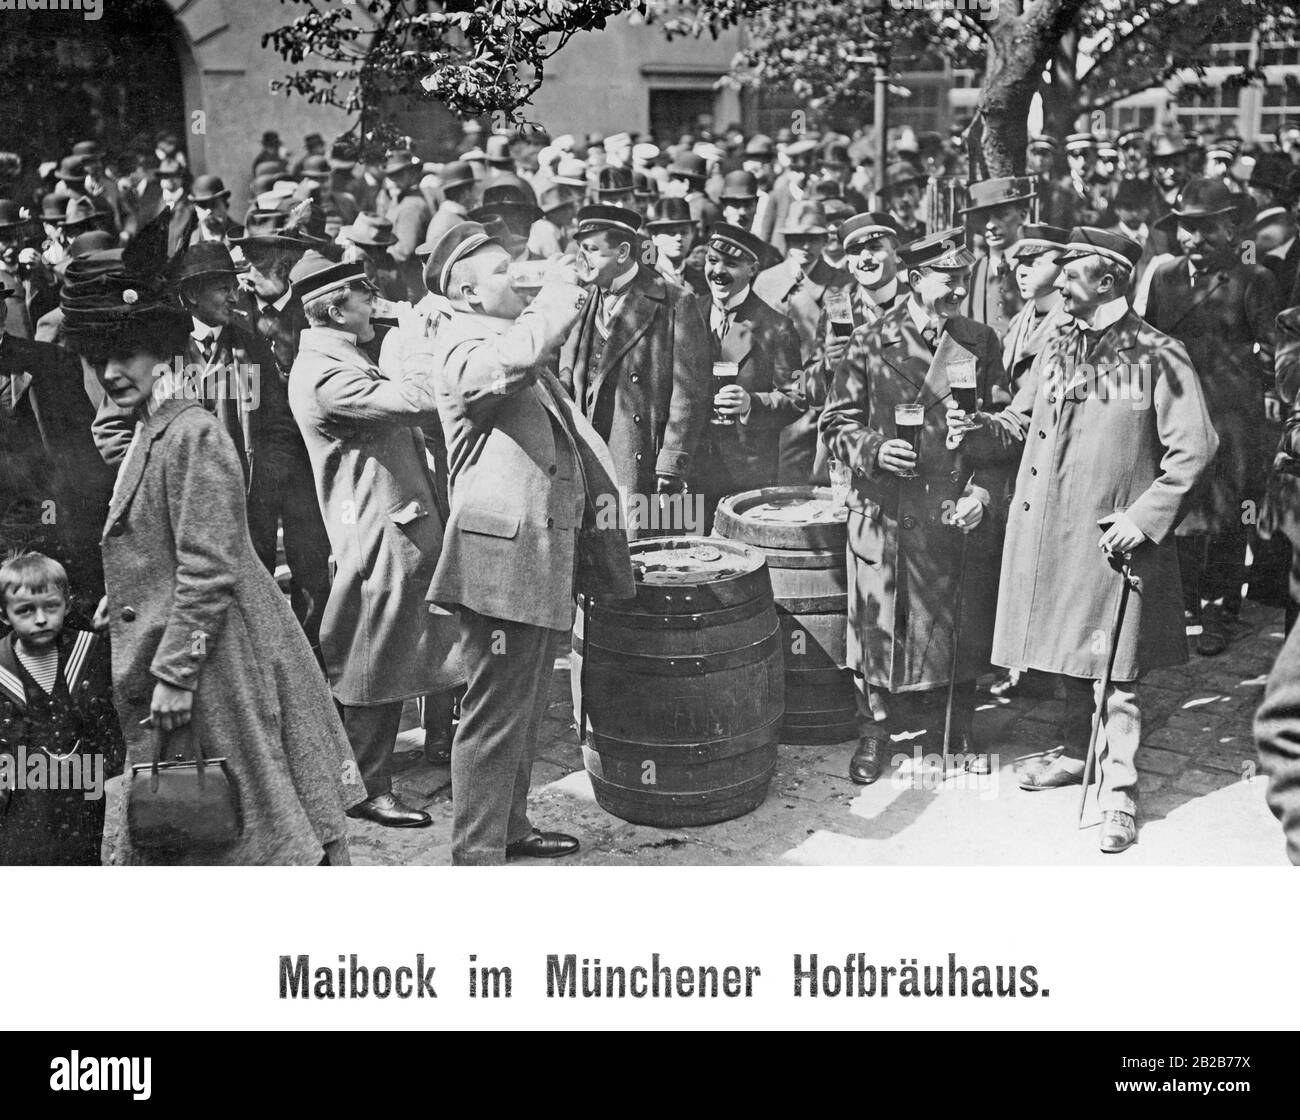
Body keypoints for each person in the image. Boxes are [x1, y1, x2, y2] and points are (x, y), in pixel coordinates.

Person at [59, 241, 366, 865]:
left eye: (127, 356)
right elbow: (163, 553)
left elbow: (208, 566)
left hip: (213, 662)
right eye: (100, 360)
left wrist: (174, 674)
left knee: (241, 818)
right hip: (197, 649)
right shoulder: (152, 428)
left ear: (165, 356)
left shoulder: (191, 433)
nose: (112, 371)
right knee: (226, 817)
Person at [954, 227, 1218, 853]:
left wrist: (1147, 515)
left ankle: (1120, 793)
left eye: (1070, 272)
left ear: (1106, 281)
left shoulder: (1160, 354)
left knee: (1114, 673)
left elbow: (1195, 446)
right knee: (1074, 656)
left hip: (1110, 536)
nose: (1057, 281)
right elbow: (1024, 419)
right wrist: (979, 426)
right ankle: (1079, 755)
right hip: (1050, 529)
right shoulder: (1057, 346)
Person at [424, 221, 635, 864]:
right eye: (499, 271)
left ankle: (509, 829)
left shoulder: (502, 339)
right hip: (499, 564)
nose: (517, 274)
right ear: (465, 292)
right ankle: (478, 854)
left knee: (520, 712)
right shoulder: (464, 346)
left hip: (535, 560)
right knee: (492, 717)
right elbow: (517, 358)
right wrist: (562, 285)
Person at [821, 228, 1004, 787]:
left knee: (956, 621)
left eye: (963, 282)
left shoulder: (979, 341)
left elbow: (1006, 431)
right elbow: (836, 423)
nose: (957, 293)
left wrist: (982, 492)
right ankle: (874, 730)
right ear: (916, 279)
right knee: (877, 621)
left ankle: (955, 728)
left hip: (949, 509)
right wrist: (875, 449)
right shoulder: (871, 339)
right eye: (948, 282)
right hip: (886, 507)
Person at [288, 255, 464, 828]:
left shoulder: (340, 354)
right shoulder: (325, 373)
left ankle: (393, 763)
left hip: (396, 522)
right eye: (365, 299)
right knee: (371, 654)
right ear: (337, 309)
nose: (375, 306)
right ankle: (365, 787)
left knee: (398, 645)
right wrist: (414, 334)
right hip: (374, 531)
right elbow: (419, 399)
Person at [1144, 178, 1280, 656]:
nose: (1193, 240)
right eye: (1185, 229)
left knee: (1227, 511)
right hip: (1177, 410)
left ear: (1229, 228)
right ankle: (1182, 605)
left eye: (1205, 230)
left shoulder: (1252, 279)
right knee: (1178, 504)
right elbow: (1147, 340)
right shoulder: (1163, 277)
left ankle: (1221, 610)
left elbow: (1273, 349)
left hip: (1231, 417)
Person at [558, 204, 710, 535]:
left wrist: (671, 462)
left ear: (624, 251)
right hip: (589, 454)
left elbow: (690, 392)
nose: (583, 260)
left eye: (593, 250)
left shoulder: (674, 302)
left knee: (636, 554)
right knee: (595, 553)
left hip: (638, 458)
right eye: (582, 250)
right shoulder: (581, 300)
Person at [0, 553, 124, 865]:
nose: (40, 618)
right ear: (5, 615)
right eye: (25, 610)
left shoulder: (90, 652)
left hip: (86, 794)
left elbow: (110, 726)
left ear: (67, 605)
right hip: (24, 799)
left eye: (50, 607)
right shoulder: (2, 666)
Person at [693, 223, 802, 528]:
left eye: (731, 264)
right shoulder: (687, 313)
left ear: (753, 270)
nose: (718, 272)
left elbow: (798, 396)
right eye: (712, 262)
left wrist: (751, 403)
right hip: (694, 465)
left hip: (746, 471)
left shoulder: (777, 327)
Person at [1000, 224, 1072, 392]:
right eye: (1021, 262)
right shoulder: (1018, 321)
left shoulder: (1072, 324)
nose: (1022, 271)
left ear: (1063, 266)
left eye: (1033, 263)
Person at [960, 176, 1033, 337]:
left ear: (1022, 215)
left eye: (1002, 214)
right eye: (984, 217)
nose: (991, 225)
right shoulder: (970, 273)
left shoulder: (1035, 268)